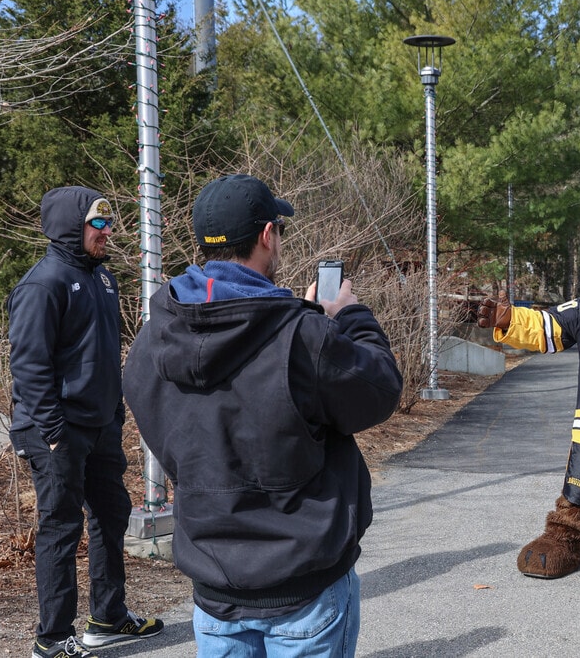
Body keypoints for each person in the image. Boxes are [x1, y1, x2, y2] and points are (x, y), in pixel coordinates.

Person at [122, 173, 402, 657]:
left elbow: (164, 431)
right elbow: (378, 390)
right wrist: (349, 316)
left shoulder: (154, 338)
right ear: (267, 236)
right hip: (302, 585)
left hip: (213, 586)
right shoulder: (301, 337)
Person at [6, 186, 164, 658]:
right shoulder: (42, 284)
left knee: (112, 514)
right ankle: (52, 639)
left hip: (99, 426)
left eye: (108, 223)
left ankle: (108, 617)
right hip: (54, 431)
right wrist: (54, 432)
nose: (107, 231)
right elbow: (29, 367)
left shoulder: (104, 280)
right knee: (61, 527)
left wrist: (114, 413)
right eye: (98, 224)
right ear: (71, 228)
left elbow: (103, 354)